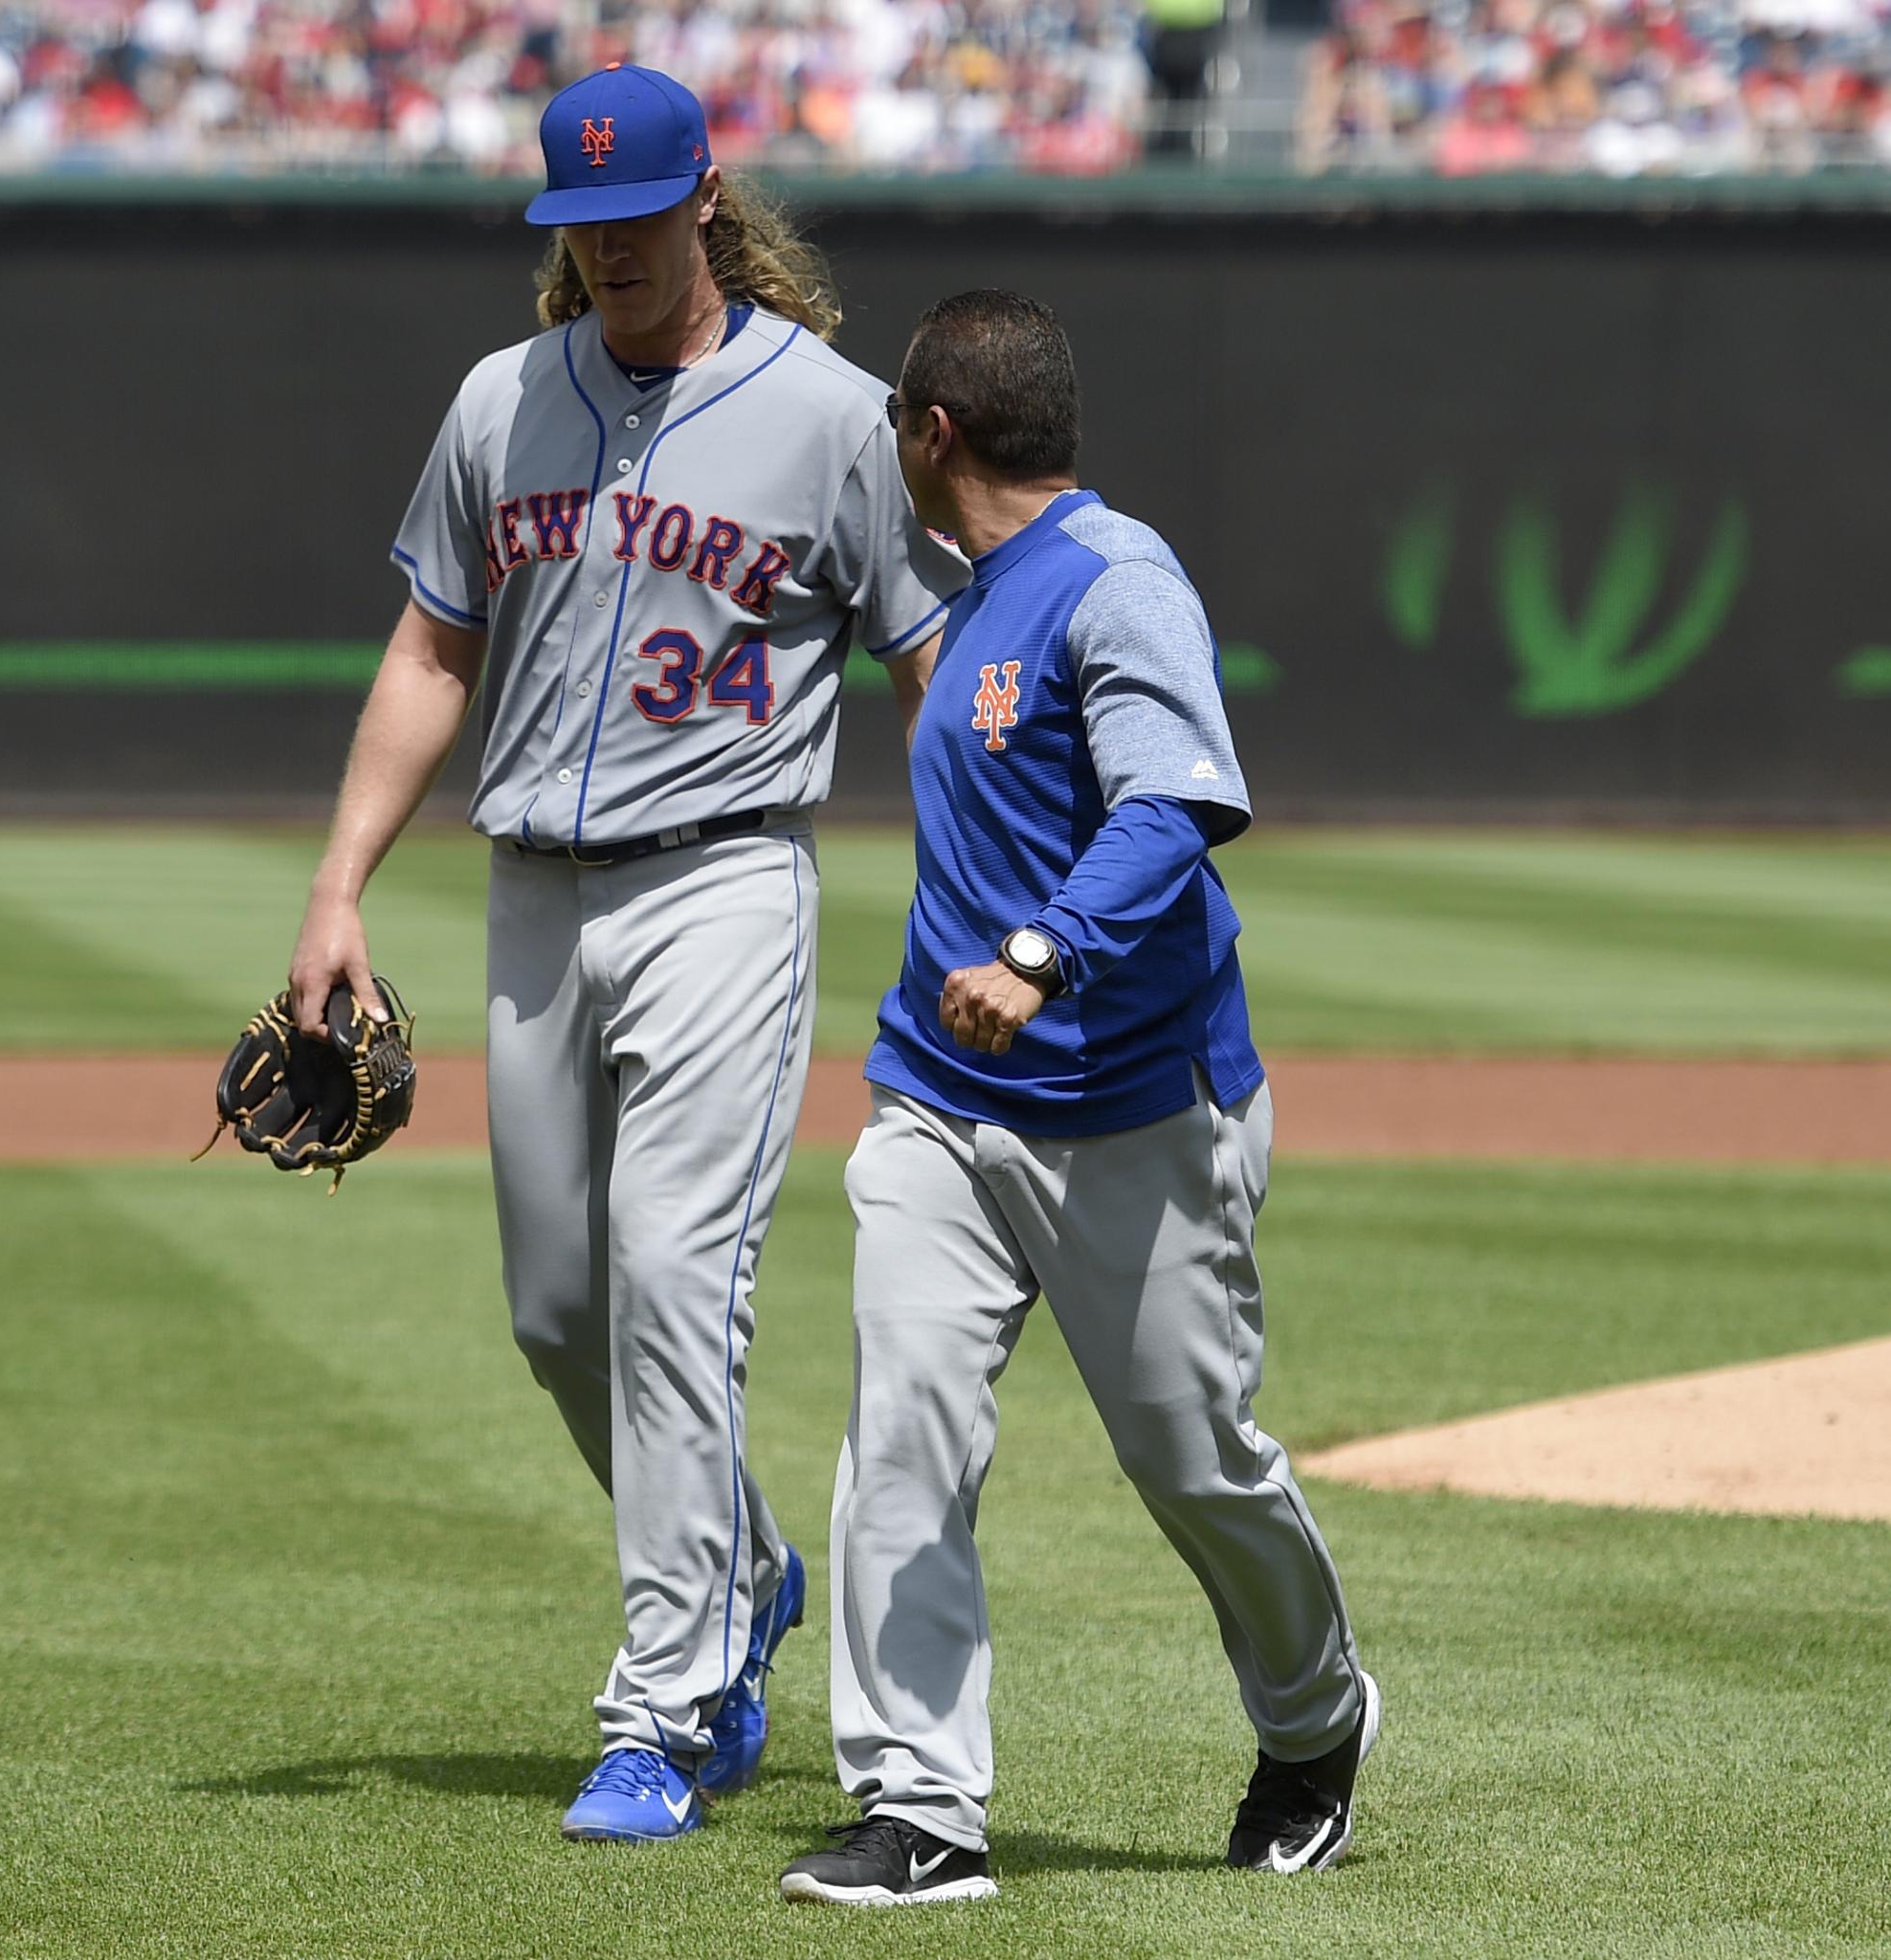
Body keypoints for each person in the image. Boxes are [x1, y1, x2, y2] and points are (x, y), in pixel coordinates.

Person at [285, 64, 966, 1843]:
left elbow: (930, 667)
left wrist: (1003, 887)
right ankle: (742, 1565)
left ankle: (663, 1705)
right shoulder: (502, 401)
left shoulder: (829, 416)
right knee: (552, 1307)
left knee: (674, 1281)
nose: (600, 249)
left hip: (724, 883)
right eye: (572, 223)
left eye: (629, 218)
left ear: (705, 202)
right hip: (528, 895)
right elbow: (434, 649)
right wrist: (338, 885)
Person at [776, 290, 1375, 1907]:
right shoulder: (966, 595)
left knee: (1193, 1456)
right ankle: (919, 1806)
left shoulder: (1118, 581)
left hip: (1132, 1106)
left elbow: (1177, 795)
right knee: (901, 1428)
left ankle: (1315, 1716)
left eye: (895, 415)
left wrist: (1039, 948)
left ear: (935, 433)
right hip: (938, 1101)